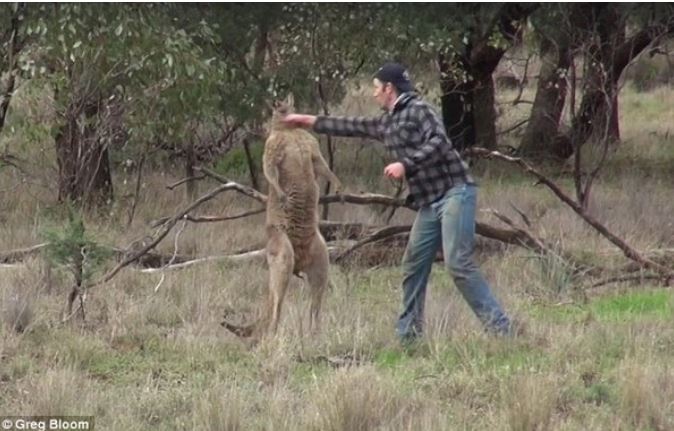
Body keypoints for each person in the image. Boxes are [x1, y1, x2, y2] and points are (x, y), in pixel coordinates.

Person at [283, 62, 512, 342]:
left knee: (458, 263)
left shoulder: (420, 110)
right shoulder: (387, 121)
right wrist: (307, 121)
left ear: (390, 89)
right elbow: (351, 125)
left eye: (377, 89)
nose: (374, 94)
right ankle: (409, 337)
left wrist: (405, 163)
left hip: (455, 192)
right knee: (414, 264)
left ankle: (502, 330)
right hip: (429, 203)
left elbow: (439, 143)